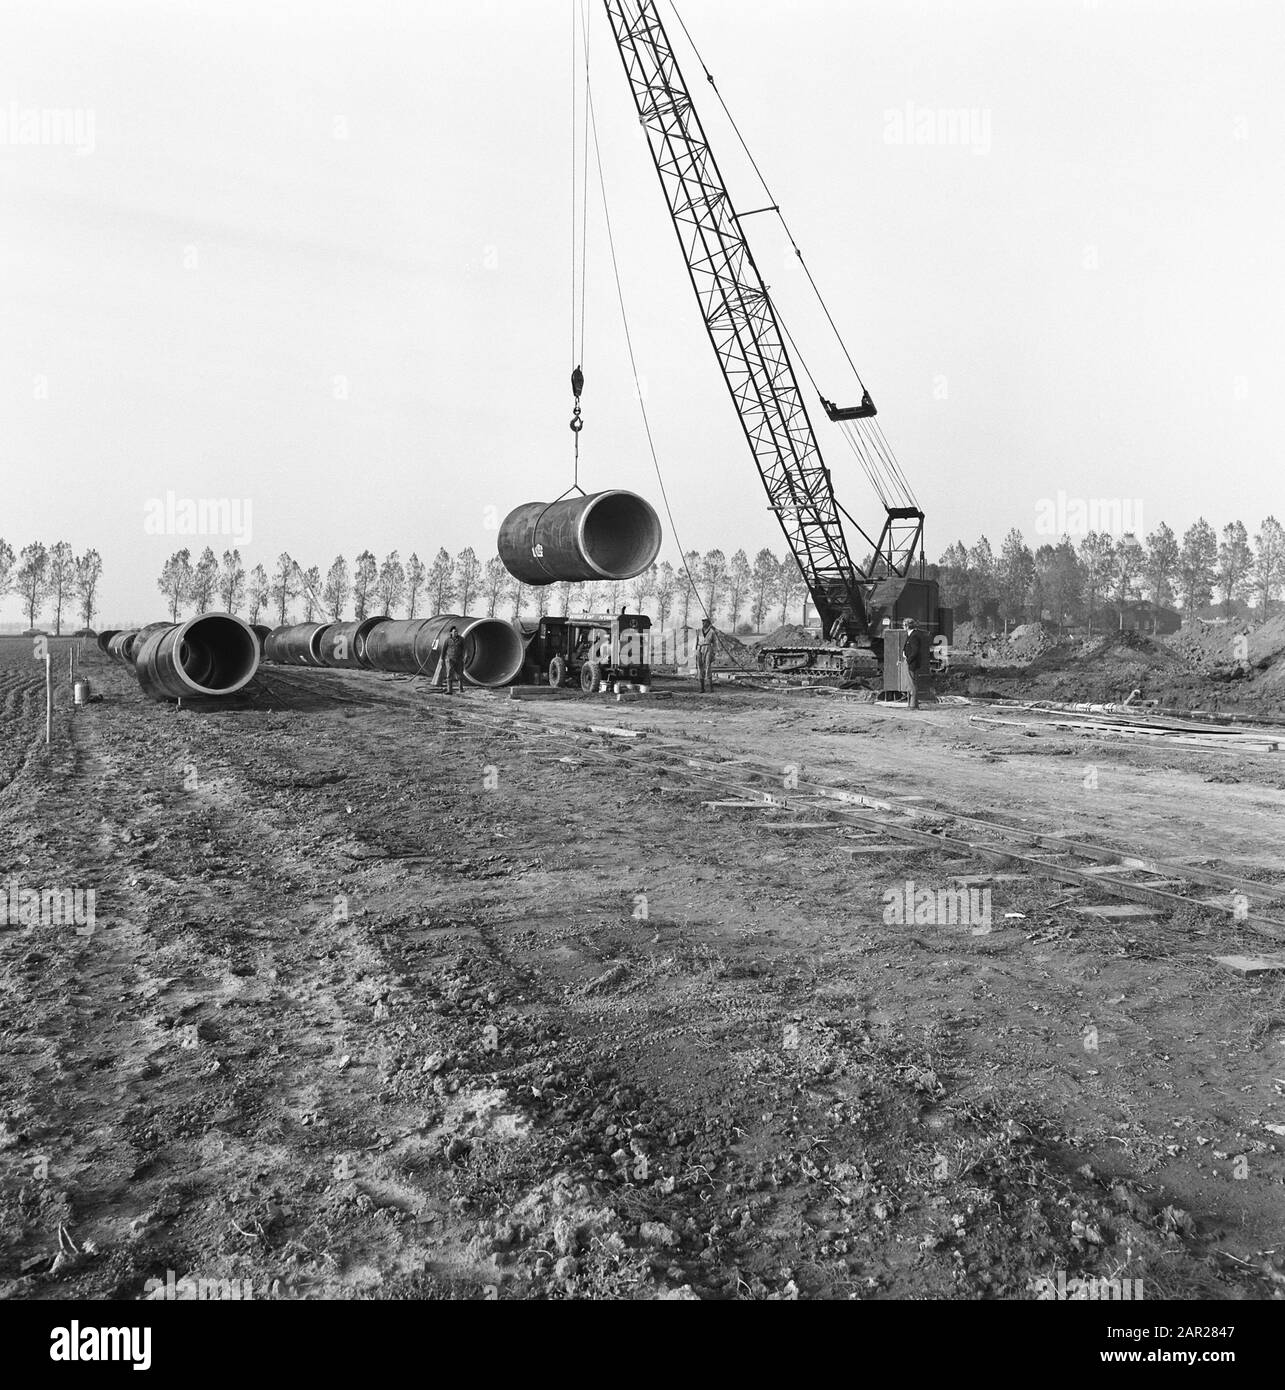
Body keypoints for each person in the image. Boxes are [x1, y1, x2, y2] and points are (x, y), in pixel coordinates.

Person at [902, 618, 924, 710]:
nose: (903, 627)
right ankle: (913, 704)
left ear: (907, 626)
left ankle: (912, 705)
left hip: (911, 663)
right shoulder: (911, 635)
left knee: (911, 684)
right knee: (911, 683)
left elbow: (915, 651)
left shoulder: (914, 636)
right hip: (909, 661)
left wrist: (908, 660)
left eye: (903, 625)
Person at [695, 617, 717, 693]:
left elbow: (715, 643)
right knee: (700, 667)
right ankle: (702, 688)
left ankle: (711, 688)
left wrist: (713, 653)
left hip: (708, 648)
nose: (703, 624)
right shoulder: (699, 631)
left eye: (705, 622)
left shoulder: (712, 632)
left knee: (708, 666)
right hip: (699, 648)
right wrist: (695, 650)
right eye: (703, 622)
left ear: (708, 623)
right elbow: (696, 641)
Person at [443, 625, 465, 695]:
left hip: (458, 659)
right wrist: (441, 659)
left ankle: (461, 689)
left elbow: (465, 649)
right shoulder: (447, 640)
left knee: (460, 675)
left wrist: (465, 657)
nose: (456, 633)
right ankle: (449, 690)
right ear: (451, 633)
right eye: (454, 632)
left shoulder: (461, 639)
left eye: (456, 632)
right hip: (450, 659)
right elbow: (444, 650)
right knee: (449, 675)